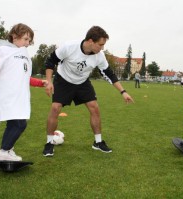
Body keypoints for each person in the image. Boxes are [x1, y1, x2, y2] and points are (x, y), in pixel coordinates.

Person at [43, 26, 134, 157]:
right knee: (55, 108)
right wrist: (49, 81)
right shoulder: (69, 47)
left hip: (82, 82)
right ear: (91, 41)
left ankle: (98, 142)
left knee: (94, 108)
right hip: (63, 80)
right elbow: (50, 61)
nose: (102, 48)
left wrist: (123, 92)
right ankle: (49, 143)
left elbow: (109, 74)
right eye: (100, 44)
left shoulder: (99, 56)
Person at [0, 23, 47, 161]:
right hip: (7, 95)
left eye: (29, 40)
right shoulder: (3, 50)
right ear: (14, 36)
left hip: (19, 96)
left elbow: (24, 76)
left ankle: (8, 150)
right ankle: (3, 152)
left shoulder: (24, 54)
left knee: (14, 124)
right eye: (25, 39)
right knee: (20, 124)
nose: (28, 43)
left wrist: (40, 83)